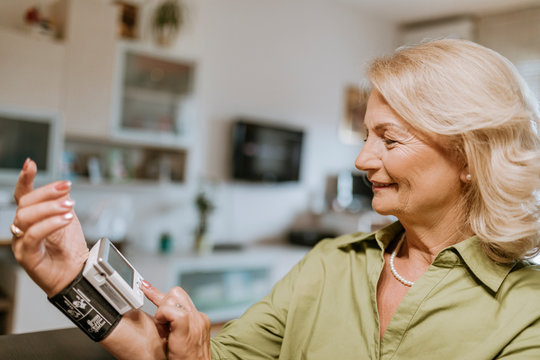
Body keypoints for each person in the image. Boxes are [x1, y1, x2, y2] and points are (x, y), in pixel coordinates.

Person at [9, 38, 540, 359]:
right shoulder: (329, 265)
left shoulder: (528, 312)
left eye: (391, 139)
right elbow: (190, 355)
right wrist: (74, 279)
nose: (361, 160)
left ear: (470, 157)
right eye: (365, 135)